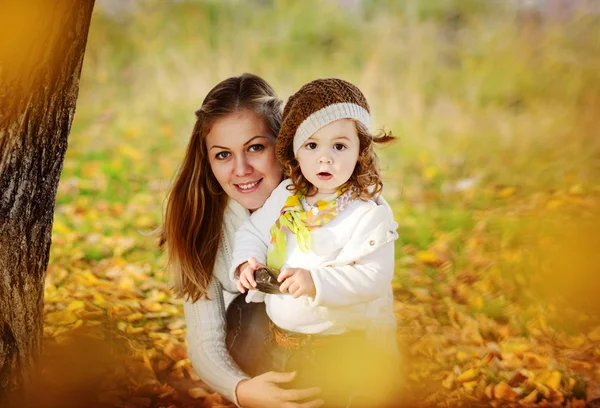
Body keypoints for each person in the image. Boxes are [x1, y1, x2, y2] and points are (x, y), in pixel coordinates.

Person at [231, 78, 400, 407]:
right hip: (278, 340)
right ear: (295, 150)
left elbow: (374, 277)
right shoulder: (286, 197)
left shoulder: (366, 214)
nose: (325, 159)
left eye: (339, 146)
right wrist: (246, 261)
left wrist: (316, 281)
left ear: (360, 150)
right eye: (312, 146)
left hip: (334, 348)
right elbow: (252, 231)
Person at [160, 73, 324, 408]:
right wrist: (242, 391)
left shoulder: (326, 205)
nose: (241, 169)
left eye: (255, 148)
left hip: (331, 350)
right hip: (258, 368)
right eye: (223, 155)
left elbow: (373, 309)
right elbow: (205, 340)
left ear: (282, 146)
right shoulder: (201, 224)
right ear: (207, 161)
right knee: (251, 310)